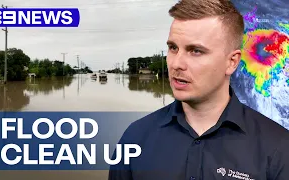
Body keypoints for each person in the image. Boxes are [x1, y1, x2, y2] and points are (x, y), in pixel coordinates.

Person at [108, 0, 289, 179]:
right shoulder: (135, 137)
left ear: (231, 62)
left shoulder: (278, 147)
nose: (176, 64)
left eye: (195, 51)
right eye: (173, 48)